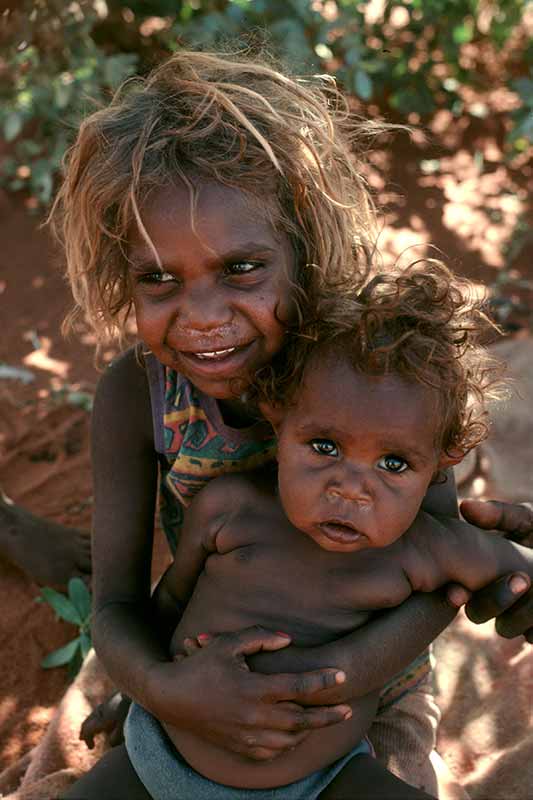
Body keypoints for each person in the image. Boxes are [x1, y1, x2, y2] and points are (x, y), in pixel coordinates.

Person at [54, 48, 533, 799]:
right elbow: (118, 604)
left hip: (354, 715)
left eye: (242, 268)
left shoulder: (385, 385)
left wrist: (321, 684)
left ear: (303, 245)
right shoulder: (136, 396)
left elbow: (437, 582)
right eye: (158, 278)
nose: (205, 316)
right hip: (190, 700)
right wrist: (164, 689)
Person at [116, 262, 532, 800]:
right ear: (278, 414)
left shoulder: (431, 548)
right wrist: (149, 689)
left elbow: (519, 573)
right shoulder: (230, 509)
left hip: (325, 781)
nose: (351, 489)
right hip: (159, 755)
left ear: (444, 461)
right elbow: (168, 601)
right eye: (326, 447)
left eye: (394, 464)